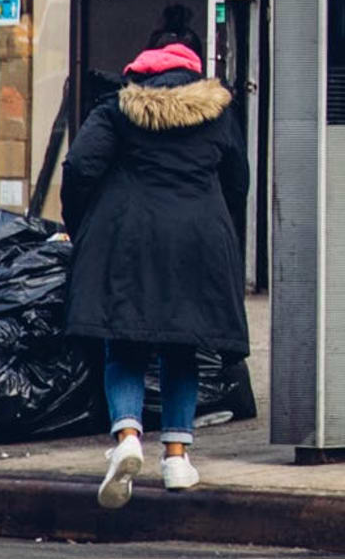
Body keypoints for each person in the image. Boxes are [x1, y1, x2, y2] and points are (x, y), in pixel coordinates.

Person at [64, 38, 248, 508]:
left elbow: (81, 166)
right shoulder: (219, 113)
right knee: (180, 346)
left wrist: (81, 224)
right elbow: (238, 182)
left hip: (130, 238)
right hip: (197, 239)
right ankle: (177, 458)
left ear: (140, 74)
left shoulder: (117, 110)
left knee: (123, 341)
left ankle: (127, 437)